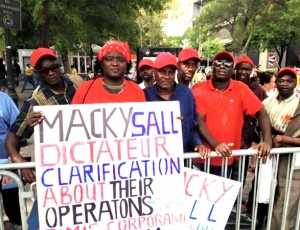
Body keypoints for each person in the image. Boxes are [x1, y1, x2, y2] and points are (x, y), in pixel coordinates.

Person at [5, 47, 84, 230]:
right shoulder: (36, 101)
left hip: (87, 163)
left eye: (54, 67)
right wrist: (18, 159)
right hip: (60, 168)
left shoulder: (78, 81)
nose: (51, 73)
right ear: (38, 73)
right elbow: (12, 139)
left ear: (59, 66)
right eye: (44, 70)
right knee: (48, 213)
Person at [191, 51, 272, 178]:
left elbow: (261, 113)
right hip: (201, 157)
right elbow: (198, 120)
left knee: (221, 197)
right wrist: (215, 145)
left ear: (232, 68)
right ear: (213, 67)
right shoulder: (199, 88)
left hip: (226, 159)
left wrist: (267, 141)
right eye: (218, 63)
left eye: (227, 63)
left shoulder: (241, 88)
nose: (222, 66)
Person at [143, 52, 210, 158]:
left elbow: (192, 127)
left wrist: (198, 144)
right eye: (162, 72)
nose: (166, 76)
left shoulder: (186, 93)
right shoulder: (144, 95)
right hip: (154, 159)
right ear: (154, 73)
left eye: (170, 72)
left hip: (181, 158)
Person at [262, 68, 300, 230]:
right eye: (281, 80)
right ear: (276, 82)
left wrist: (285, 139)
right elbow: (260, 125)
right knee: (267, 197)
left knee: (284, 202)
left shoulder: (298, 106)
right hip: (270, 157)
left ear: (295, 84)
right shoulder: (267, 102)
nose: (285, 84)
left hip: (292, 162)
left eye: (289, 81)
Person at [71, 40, 145, 104]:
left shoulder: (136, 90)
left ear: (127, 64)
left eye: (121, 60)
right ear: (101, 63)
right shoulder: (84, 89)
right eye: (109, 59)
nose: (115, 63)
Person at [0, 92, 22, 230]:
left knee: (14, 210)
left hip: (6, 165)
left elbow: (18, 129)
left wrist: (12, 160)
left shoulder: (4, 99)